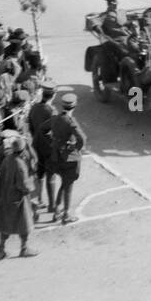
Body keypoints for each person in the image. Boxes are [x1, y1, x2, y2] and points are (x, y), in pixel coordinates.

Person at [0, 131, 38, 258]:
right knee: (25, 224)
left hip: (5, 197)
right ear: (23, 150)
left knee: (5, 225)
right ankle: (24, 248)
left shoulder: (7, 159)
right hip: (18, 199)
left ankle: (0, 249)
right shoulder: (20, 164)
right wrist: (32, 187)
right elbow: (24, 185)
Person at [50, 92, 87, 224]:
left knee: (64, 184)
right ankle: (66, 214)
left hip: (56, 156)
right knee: (68, 186)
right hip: (69, 158)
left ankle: (56, 211)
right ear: (74, 106)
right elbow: (82, 138)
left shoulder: (56, 118)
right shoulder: (71, 121)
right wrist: (76, 147)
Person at [27, 82, 59, 219]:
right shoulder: (52, 111)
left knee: (39, 175)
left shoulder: (34, 107)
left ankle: (39, 200)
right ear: (54, 95)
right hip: (49, 148)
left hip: (36, 145)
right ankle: (52, 205)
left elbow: (30, 125)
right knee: (51, 176)